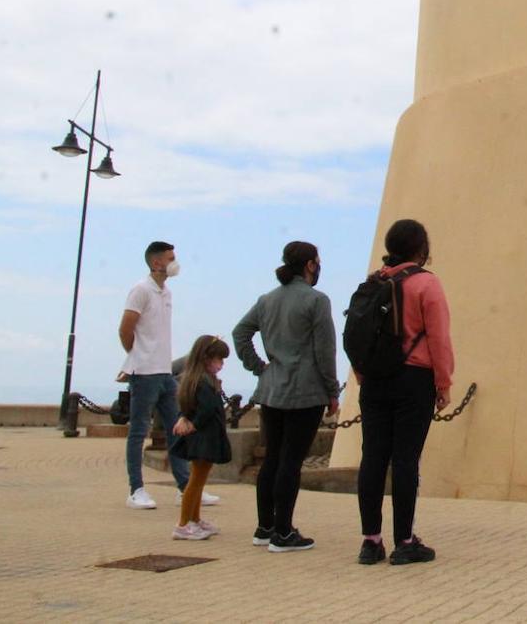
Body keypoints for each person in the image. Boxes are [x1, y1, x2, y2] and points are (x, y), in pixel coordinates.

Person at [356, 219, 454, 566]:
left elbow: (357, 336)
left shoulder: (373, 282)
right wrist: (443, 383)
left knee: (372, 458)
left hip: (374, 381)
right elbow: (439, 338)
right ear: (421, 249)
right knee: (405, 460)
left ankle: (370, 541)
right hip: (413, 379)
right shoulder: (426, 284)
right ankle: (405, 541)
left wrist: (362, 375)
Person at [233, 241, 340, 553]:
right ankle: (283, 532)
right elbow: (325, 350)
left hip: (272, 389)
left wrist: (259, 368)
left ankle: (264, 527)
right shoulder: (317, 301)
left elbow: (240, 333)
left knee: (273, 459)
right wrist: (332, 390)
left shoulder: (267, 300)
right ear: (309, 264)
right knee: (291, 462)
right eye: (318, 261)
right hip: (305, 392)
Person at [119, 241, 212, 510]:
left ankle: (186, 488)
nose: (175, 262)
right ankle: (136, 490)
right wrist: (137, 355)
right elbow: (125, 329)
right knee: (138, 431)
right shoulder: (140, 290)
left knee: (177, 429)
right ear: (156, 262)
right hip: (144, 372)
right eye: (170, 258)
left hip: (164, 373)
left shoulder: (166, 292)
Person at [170, 335, 233, 540]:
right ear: (207, 358)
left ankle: (195, 520)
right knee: (196, 481)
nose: (221, 364)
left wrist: (186, 419)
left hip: (202, 437)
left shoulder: (194, 381)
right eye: (219, 360)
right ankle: (183, 524)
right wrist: (193, 423)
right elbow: (206, 410)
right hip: (204, 438)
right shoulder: (204, 383)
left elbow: (188, 406)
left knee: (199, 481)